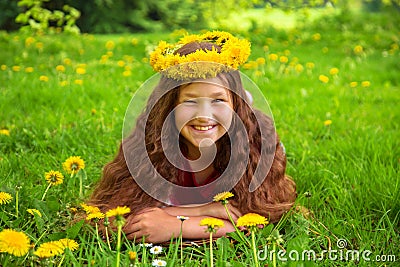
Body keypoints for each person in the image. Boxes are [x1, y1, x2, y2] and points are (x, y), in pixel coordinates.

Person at [87, 31, 297, 243]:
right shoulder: (149, 146)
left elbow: (256, 222)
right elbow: (118, 220)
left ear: (236, 106)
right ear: (170, 106)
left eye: (218, 100)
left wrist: (177, 225)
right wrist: (202, 211)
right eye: (190, 101)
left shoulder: (253, 146)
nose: (203, 116)